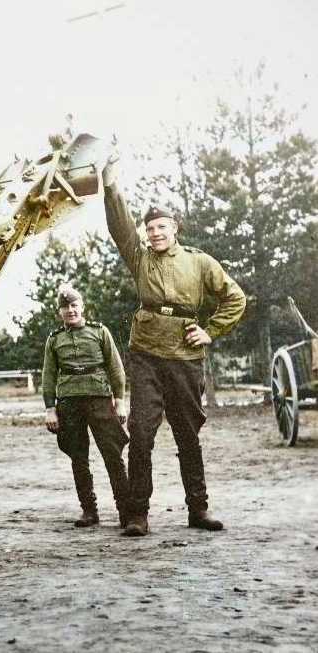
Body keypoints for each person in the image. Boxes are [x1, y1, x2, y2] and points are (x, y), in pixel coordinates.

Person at [103, 159, 246, 537]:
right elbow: (120, 226)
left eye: (161, 227)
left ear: (175, 229)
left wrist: (211, 331)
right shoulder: (139, 257)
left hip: (185, 358)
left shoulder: (200, 262)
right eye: (150, 228)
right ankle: (137, 513)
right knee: (141, 434)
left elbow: (235, 298)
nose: (154, 233)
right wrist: (111, 183)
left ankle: (198, 509)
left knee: (188, 435)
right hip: (147, 355)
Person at [42, 285, 130, 528]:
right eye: (65, 307)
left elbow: (116, 368)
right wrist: (50, 409)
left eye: (74, 305)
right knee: (78, 457)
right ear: (59, 311)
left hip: (99, 398)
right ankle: (89, 510)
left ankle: (126, 511)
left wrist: (120, 402)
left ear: (82, 307)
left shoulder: (100, 332)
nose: (70, 310)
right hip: (69, 402)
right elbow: (48, 375)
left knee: (113, 455)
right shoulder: (54, 339)